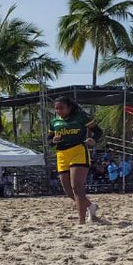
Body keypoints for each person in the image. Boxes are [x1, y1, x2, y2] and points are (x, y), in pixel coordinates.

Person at [49, 95, 102, 225]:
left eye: (61, 108)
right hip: (61, 154)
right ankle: (91, 206)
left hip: (78, 151)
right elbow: (49, 141)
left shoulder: (81, 117)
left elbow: (98, 132)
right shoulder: (54, 122)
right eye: (56, 108)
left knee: (76, 187)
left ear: (69, 107)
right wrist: (53, 141)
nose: (58, 111)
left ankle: (81, 221)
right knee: (68, 191)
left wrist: (94, 140)